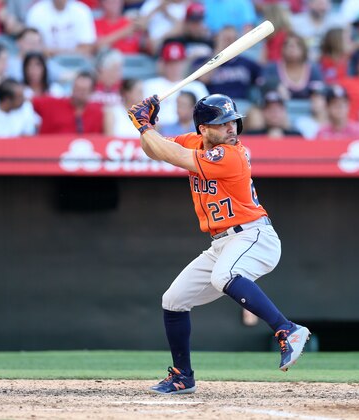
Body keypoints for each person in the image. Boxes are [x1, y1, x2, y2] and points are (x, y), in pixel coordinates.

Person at [126, 93, 311, 394]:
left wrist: (144, 126)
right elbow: (155, 151)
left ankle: (286, 329)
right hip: (222, 243)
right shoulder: (192, 141)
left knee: (224, 276)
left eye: (232, 122)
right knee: (174, 300)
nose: (231, 129)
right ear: (203, 129)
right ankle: (182, 376)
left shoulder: (232, 154)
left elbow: (172, 155)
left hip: (253, 235)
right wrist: (147, 127)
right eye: (221, 123)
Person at [32, 71, 105, 134]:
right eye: (77, 89)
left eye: (83, 90)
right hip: (49, 148)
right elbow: (28, 101)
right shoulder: (52, 104)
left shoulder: (98, 112)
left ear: (91, 92)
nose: (79, 94)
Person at [25, 0, 96, 57]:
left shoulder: (82, 11)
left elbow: (87, 48)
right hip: (46, 62)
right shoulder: (36, 12)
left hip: (76, 61)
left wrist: (54, 52)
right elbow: (32, 47)